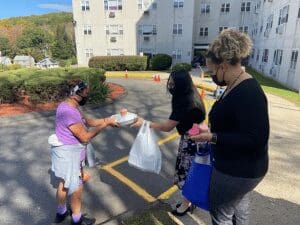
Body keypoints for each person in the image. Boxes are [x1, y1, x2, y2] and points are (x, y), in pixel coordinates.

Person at [190, 29, 269, 225]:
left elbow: (256, 140)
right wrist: (212, 133)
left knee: (221, 215)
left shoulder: (249, 93)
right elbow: (235, 124)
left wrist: (213, 137)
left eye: (212, 71)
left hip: (237, 170)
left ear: (223, 66)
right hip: (240, 169)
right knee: (237, 211)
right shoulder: (235, 84)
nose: (211, 76)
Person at [132, 70, 206, 216]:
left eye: (173, 83)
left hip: (191, 141)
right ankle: (189, 201)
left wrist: (144, 123)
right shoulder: (191, 93)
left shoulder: (186, 102)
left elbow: (167, 127)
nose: (170, 85)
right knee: (191, 172)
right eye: (170, 81)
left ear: (180, 84)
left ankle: (185, 205)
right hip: (196, 136)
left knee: (186, 174)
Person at [50, 79, 118, 225]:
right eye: (86, 92)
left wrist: (106, 119)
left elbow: (86, 122)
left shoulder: (68, 105)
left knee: (64, 182)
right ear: (76, 93)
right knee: (76, 188)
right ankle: (77, 219)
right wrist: (106, 124)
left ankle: (61, 212)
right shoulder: (69, 112)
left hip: (66, 152)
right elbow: (85, 136)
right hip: (70, 155)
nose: (87, 95)